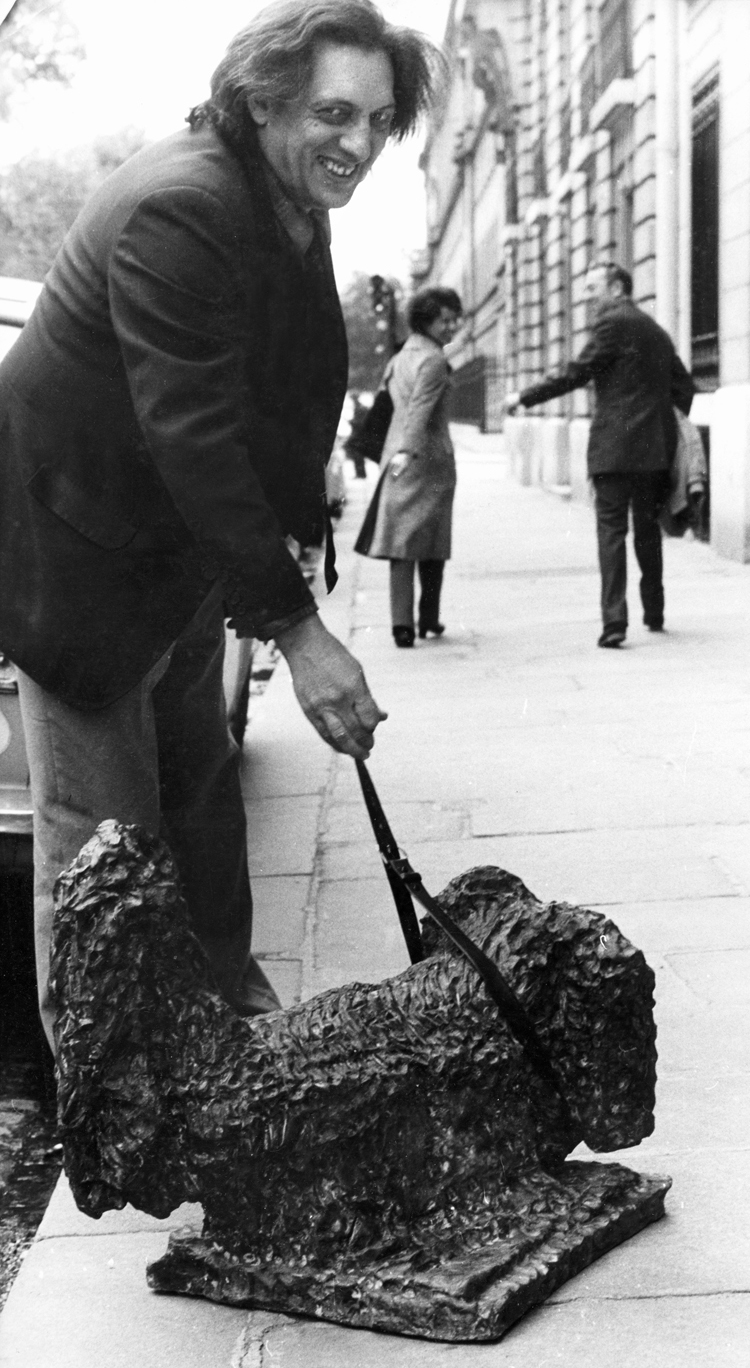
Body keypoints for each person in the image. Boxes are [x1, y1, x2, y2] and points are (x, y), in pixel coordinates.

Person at [0, 0, 440, 1044]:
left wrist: (297, 535)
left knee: (200, 798)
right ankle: (123, 1123)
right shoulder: (184, 204)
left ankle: (236, 1043)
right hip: (78, 564)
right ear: (264, 99)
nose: (359, 143)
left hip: (176, 554)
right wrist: (301, 633)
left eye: (379, 121)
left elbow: (284, 388)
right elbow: (190, 433)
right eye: (335, 113)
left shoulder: (284, 196)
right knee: (104, 854)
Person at [506, 263, 695, 648]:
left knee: (611, 532)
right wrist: (659, 422)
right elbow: (685, 388)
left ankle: (614, 622)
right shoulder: (656, 331)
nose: (587, 296)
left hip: (614, 448)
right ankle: (654, 611)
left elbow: (576, 373)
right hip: (653, 451)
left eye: (593, 287)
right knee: (647, 531)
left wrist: (523, 397)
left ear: (617, 287)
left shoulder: (611, 324)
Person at [356, 285, 462, 647]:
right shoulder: (433, 359)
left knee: (401, 544)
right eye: (445, 320)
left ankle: (402, 624)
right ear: (426, 321)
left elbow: (387, 409)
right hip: (427, 460)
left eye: (454, 319)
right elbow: (419, 410)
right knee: (432, 540)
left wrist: (394, 456)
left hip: (397, 459)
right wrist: (410, 451)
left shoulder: (400, 357)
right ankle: (427, 617)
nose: (452, 327)